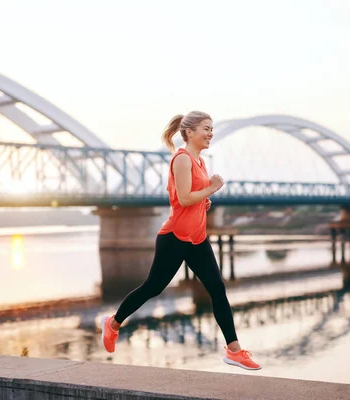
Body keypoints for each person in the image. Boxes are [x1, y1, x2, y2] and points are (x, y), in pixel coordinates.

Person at [100, 111, 261, 370]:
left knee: (217, 289)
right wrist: (212, 188)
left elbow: (189, 198)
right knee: (153, 287)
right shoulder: (182, 159)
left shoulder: (199, 161)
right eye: (205, 129)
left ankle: (234, 350)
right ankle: (113, 323)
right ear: (189, 132)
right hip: (175, 237)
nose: (210, 133)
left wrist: (204, 200)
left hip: (197, 237)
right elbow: (184, 198)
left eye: (212, 129)